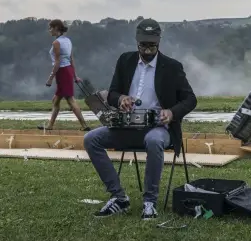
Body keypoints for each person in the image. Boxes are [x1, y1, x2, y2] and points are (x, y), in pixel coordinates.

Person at [83, 18, 197, 220]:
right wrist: (121, 99)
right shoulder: (125, 60)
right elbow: (111, 93)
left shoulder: (172, 67)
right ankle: (119, 198)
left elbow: (190, 99)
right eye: (144, 44)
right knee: (91, 139)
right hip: (127, 127)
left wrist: (171, 113)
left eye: (152, 44)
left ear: (159, 41)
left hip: (159, 128)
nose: (148, 49)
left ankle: (150, 202)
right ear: (137, 41)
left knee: (154, 141)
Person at [38, 19, 91, 131]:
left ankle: (84, 125)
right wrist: (74, 75)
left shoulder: (56, 43)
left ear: (56, 28)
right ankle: (50, 126)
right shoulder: (68, 41)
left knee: (70, 100)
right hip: (67, 70)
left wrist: (50, 78)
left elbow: (57, 62)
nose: (49, 30)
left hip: (62, 71)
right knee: (56, 101)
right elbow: (71, 59)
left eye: (51, 28)